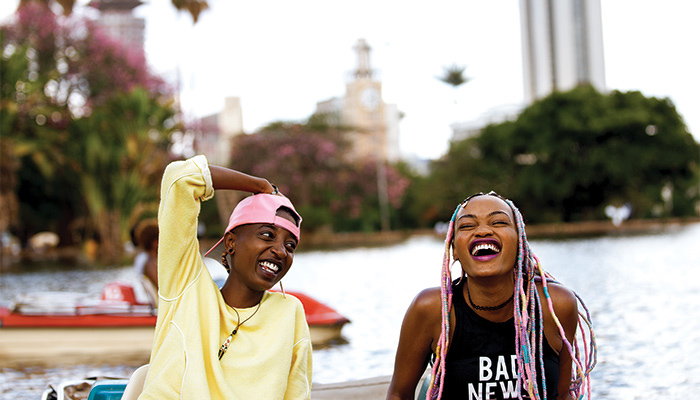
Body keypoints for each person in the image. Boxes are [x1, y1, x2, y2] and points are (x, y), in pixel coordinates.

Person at [387, 192, 595, 400]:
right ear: (455, 250)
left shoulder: (555, 306)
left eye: (498, 222)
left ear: (519, 242)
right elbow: (398, 395)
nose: (483, 230)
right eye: (467, 226)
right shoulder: (433, 309)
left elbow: (564, 395)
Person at [139, 155, 312, 399]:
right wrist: (261, 187)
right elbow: (179, 179)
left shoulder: (289, 313)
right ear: (230, 242)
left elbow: (296, 394)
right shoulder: (187, 288)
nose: (280, 251)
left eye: (290, 245)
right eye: (266, 235)